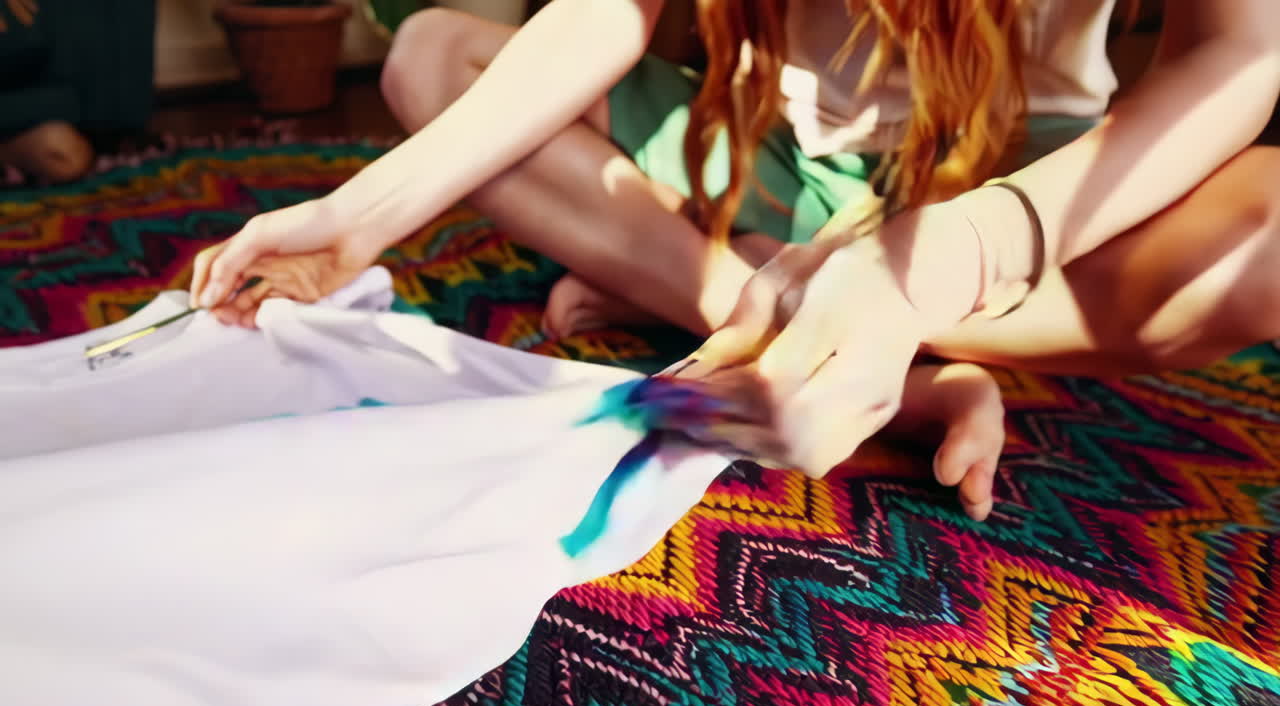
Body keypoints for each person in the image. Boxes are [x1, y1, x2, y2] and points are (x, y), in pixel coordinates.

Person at [188, 0, 1280, 522]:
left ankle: (724, 285)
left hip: (1019, 183)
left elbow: (1240, 49)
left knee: (1266, 238)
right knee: (437, 56)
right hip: (770, 163)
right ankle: (783, 307)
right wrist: (364, 213)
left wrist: (949, 253)